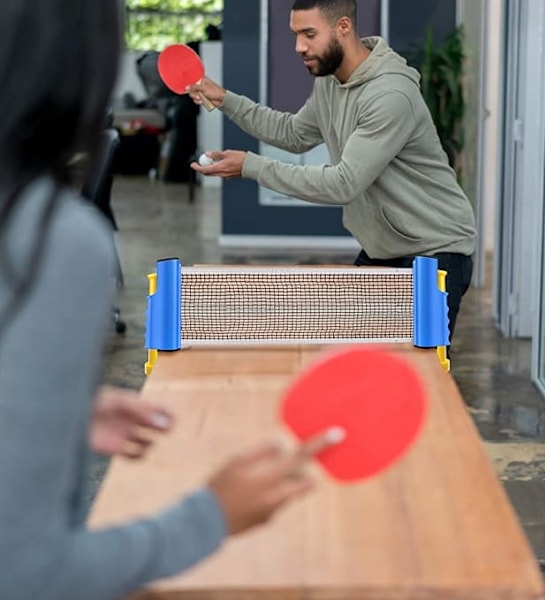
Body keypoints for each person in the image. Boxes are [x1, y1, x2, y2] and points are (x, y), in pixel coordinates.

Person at [0, 2, 341, 599]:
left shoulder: (380, 92)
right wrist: (211, 516)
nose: (298, 47)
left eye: (305, 34)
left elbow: (330, 165)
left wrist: (57, 416)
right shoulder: (51, 239)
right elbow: (29, 572)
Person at [189, 0, 477, 345]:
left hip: (436, 249)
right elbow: (294, 134)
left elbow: (344, 184)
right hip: (387, 245)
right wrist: (225, 99)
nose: (299, 47)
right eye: (296, 35)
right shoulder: (331, 81)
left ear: (343, 26)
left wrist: (250, 166)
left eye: (309, 34)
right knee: (358, 358)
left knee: (420, 376)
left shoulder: (390, 95)